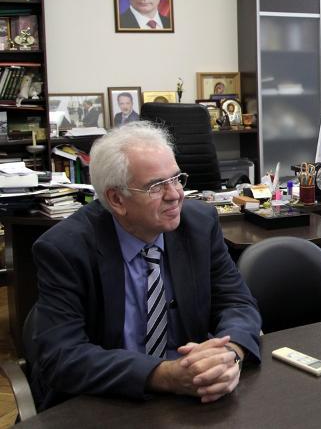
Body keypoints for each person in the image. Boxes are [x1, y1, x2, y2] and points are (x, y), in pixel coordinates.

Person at [30, 122, 261, 409]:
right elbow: (62, 356)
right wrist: (164, 375)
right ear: (117, 199)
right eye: (156, 186)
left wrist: (229, 354)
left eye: (177, 179)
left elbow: (237, 302)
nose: (175, 194)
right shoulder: (66, 248)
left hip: (194, 396)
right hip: (108, 402)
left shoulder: (199, 225)